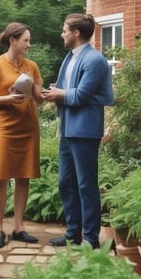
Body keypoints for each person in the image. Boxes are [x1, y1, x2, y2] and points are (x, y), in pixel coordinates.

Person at [42, 13, 113, 248]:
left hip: (85, 130)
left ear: (76, 33)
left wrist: (57, 95)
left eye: (64, 30)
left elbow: (81, 95)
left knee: (86, 185)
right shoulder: (70, 58)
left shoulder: (95, 61)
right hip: (68, 129)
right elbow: (64, 88)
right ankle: (72, 233)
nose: (61, 34)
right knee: (65, 183)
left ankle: (90, 239)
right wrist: (48, 91)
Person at [0, 22, 44, 249]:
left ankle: (18, 228)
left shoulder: (32, 66)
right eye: (25, 40)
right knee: (0, 178)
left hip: (28, 128)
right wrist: (7, 99)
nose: (29, 44)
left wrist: (53, 94)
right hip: (5, 129)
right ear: (13, 41)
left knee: (23, 177)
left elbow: (38, 97)